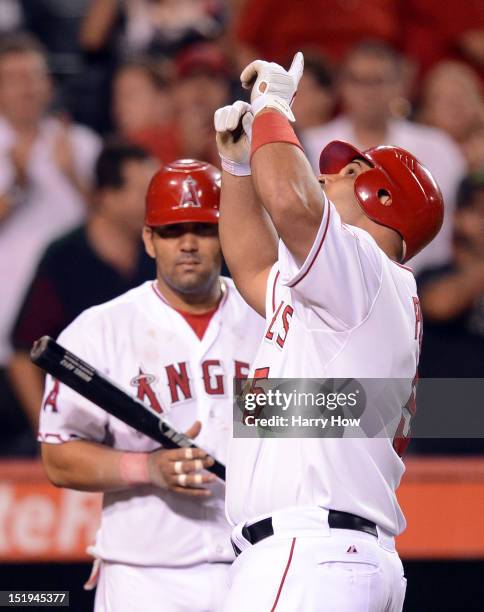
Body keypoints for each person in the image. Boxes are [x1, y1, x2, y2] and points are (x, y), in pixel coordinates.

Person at [214, 52, 443, 611]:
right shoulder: (351, 290)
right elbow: (250, 266)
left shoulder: (364, 267)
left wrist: (273, 108)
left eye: (349, 172)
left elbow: (292, 201)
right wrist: (240, 170)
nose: (324, 172)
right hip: (331, 555)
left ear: (382, 199)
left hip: (311, 553)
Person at [39, 159, 265, 612]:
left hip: (256, 564)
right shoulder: (100, 330)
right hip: (144, 573)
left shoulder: (270, 320)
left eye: (203, 228)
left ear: (226, 233)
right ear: (148, 238)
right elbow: (58, 458)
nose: (187, 244)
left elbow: (331, 421)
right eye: (171, 230)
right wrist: (148, 469)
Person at [7, 141, 156, 444]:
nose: (156, 201)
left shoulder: (167, 253)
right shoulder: (64, 257)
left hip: (160, 416)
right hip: (86, 420)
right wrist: (50, 436)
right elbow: (24, 352)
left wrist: (267, 437)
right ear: (108, 197)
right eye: (145, 191)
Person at [0, 33, 100, 455]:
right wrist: (17, 186)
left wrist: (74, 175)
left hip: (72, 311)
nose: (26, 87)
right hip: (7, 320)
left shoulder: (80, 143)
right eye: (13, 77)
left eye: (33, 76)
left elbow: (115, 222)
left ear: (49, 84)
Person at [302, 40, 466, 274]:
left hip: (432, 277)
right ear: (342, 85)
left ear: (400, 84)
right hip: (340, 273)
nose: (368, 92)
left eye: (378, 81)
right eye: (357, 80)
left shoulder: (439, 146)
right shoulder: (311, 142)